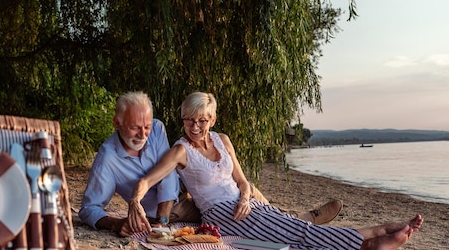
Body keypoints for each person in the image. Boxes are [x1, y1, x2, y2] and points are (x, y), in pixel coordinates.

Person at [127, 92, 423, 250]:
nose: (194, 127)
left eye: (201, 120)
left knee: (292, 226)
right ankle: (371, 243)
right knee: (297, 232)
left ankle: (380, 231)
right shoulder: (180, 151)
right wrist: (135, 202)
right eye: (189, 121)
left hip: (244, 204)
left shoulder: (222, 140)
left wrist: (245, 197)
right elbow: (147, 181)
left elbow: (242, 181)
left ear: (212, 119)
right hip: (220, 213)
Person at [79, 91, 344, 237]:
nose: (143, 134)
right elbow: (89, 208)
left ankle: (294, 218)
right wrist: (118, 222)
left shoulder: (158, 128)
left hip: (187, 198)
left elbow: (170, 175)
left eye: (146, 126)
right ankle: (299, 221)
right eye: (135, 128)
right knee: (234, 210)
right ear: (117, 124)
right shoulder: (107, 160)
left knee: (247, 189)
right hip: (170, 213)